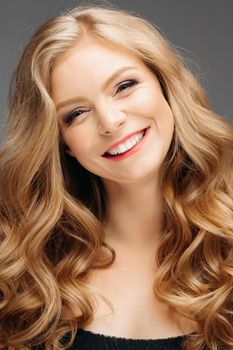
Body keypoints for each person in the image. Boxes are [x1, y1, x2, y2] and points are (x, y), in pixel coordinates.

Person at [0, 3, 232, 350]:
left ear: (165, 86)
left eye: (124, 86)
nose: (110, 121)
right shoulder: (25, 269)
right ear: (63, 143)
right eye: (76, 113)